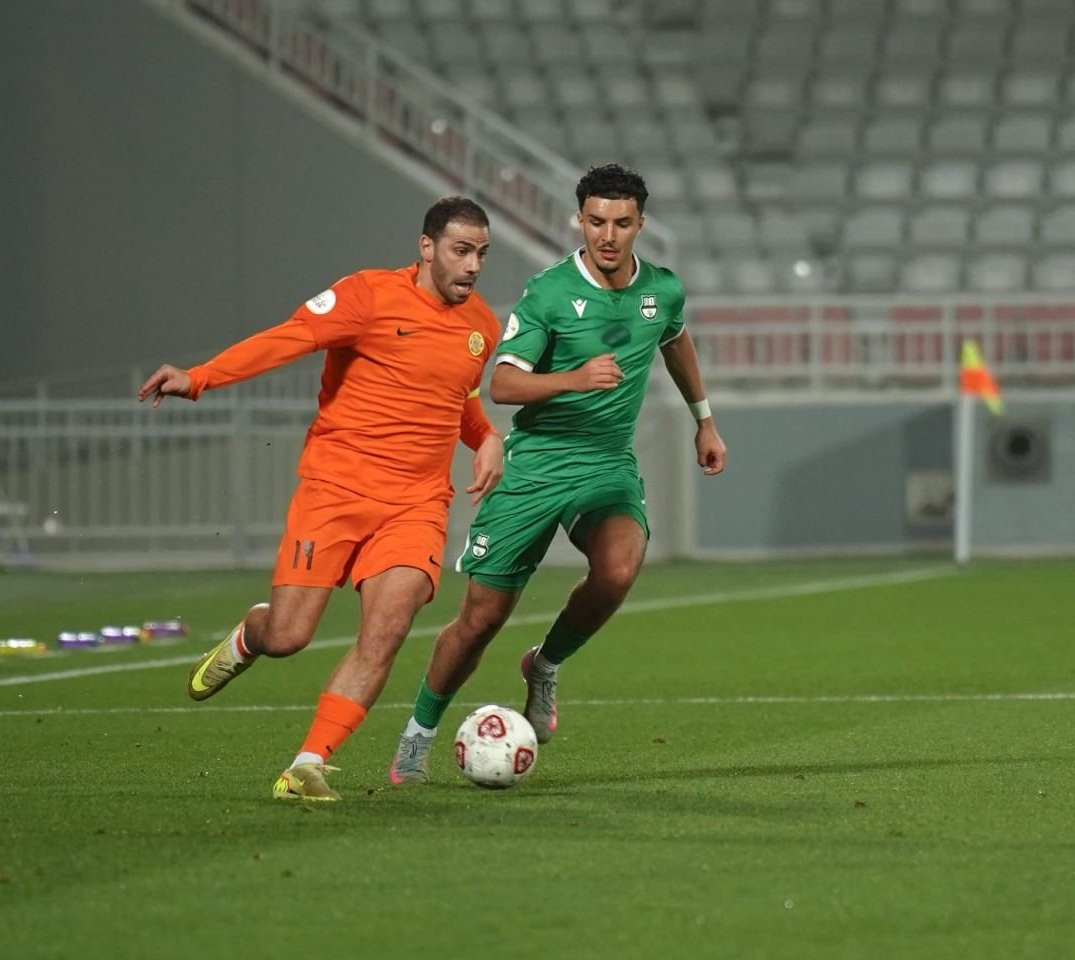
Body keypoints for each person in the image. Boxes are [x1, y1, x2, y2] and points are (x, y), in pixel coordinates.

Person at [138, 197, 503, 802]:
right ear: (426, 247)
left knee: (387, 629)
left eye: (482, 254)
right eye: (461, 251)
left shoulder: (482, 326)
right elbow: (290, 338)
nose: (472, 266)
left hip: (415, 504)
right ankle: (250, 636)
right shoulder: (367, 296)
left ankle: (307, 764)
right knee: (289, 636)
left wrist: (486, 436)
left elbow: (456, 395)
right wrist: (200, 377)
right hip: (336, 491)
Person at [388, 163, 727, 784]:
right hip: (538, 463)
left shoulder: (663, 290)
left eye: (621, 223)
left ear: (640, 225)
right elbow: (503, 383)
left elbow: (675, 339)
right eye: (596, 221)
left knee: (619, 569)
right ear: (579, 220)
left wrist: (703, 419)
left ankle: (544, 666)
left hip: (606, 462)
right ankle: (418, 734)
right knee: (481, 620)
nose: (608, 235)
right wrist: (574, 378)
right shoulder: (548, 292)